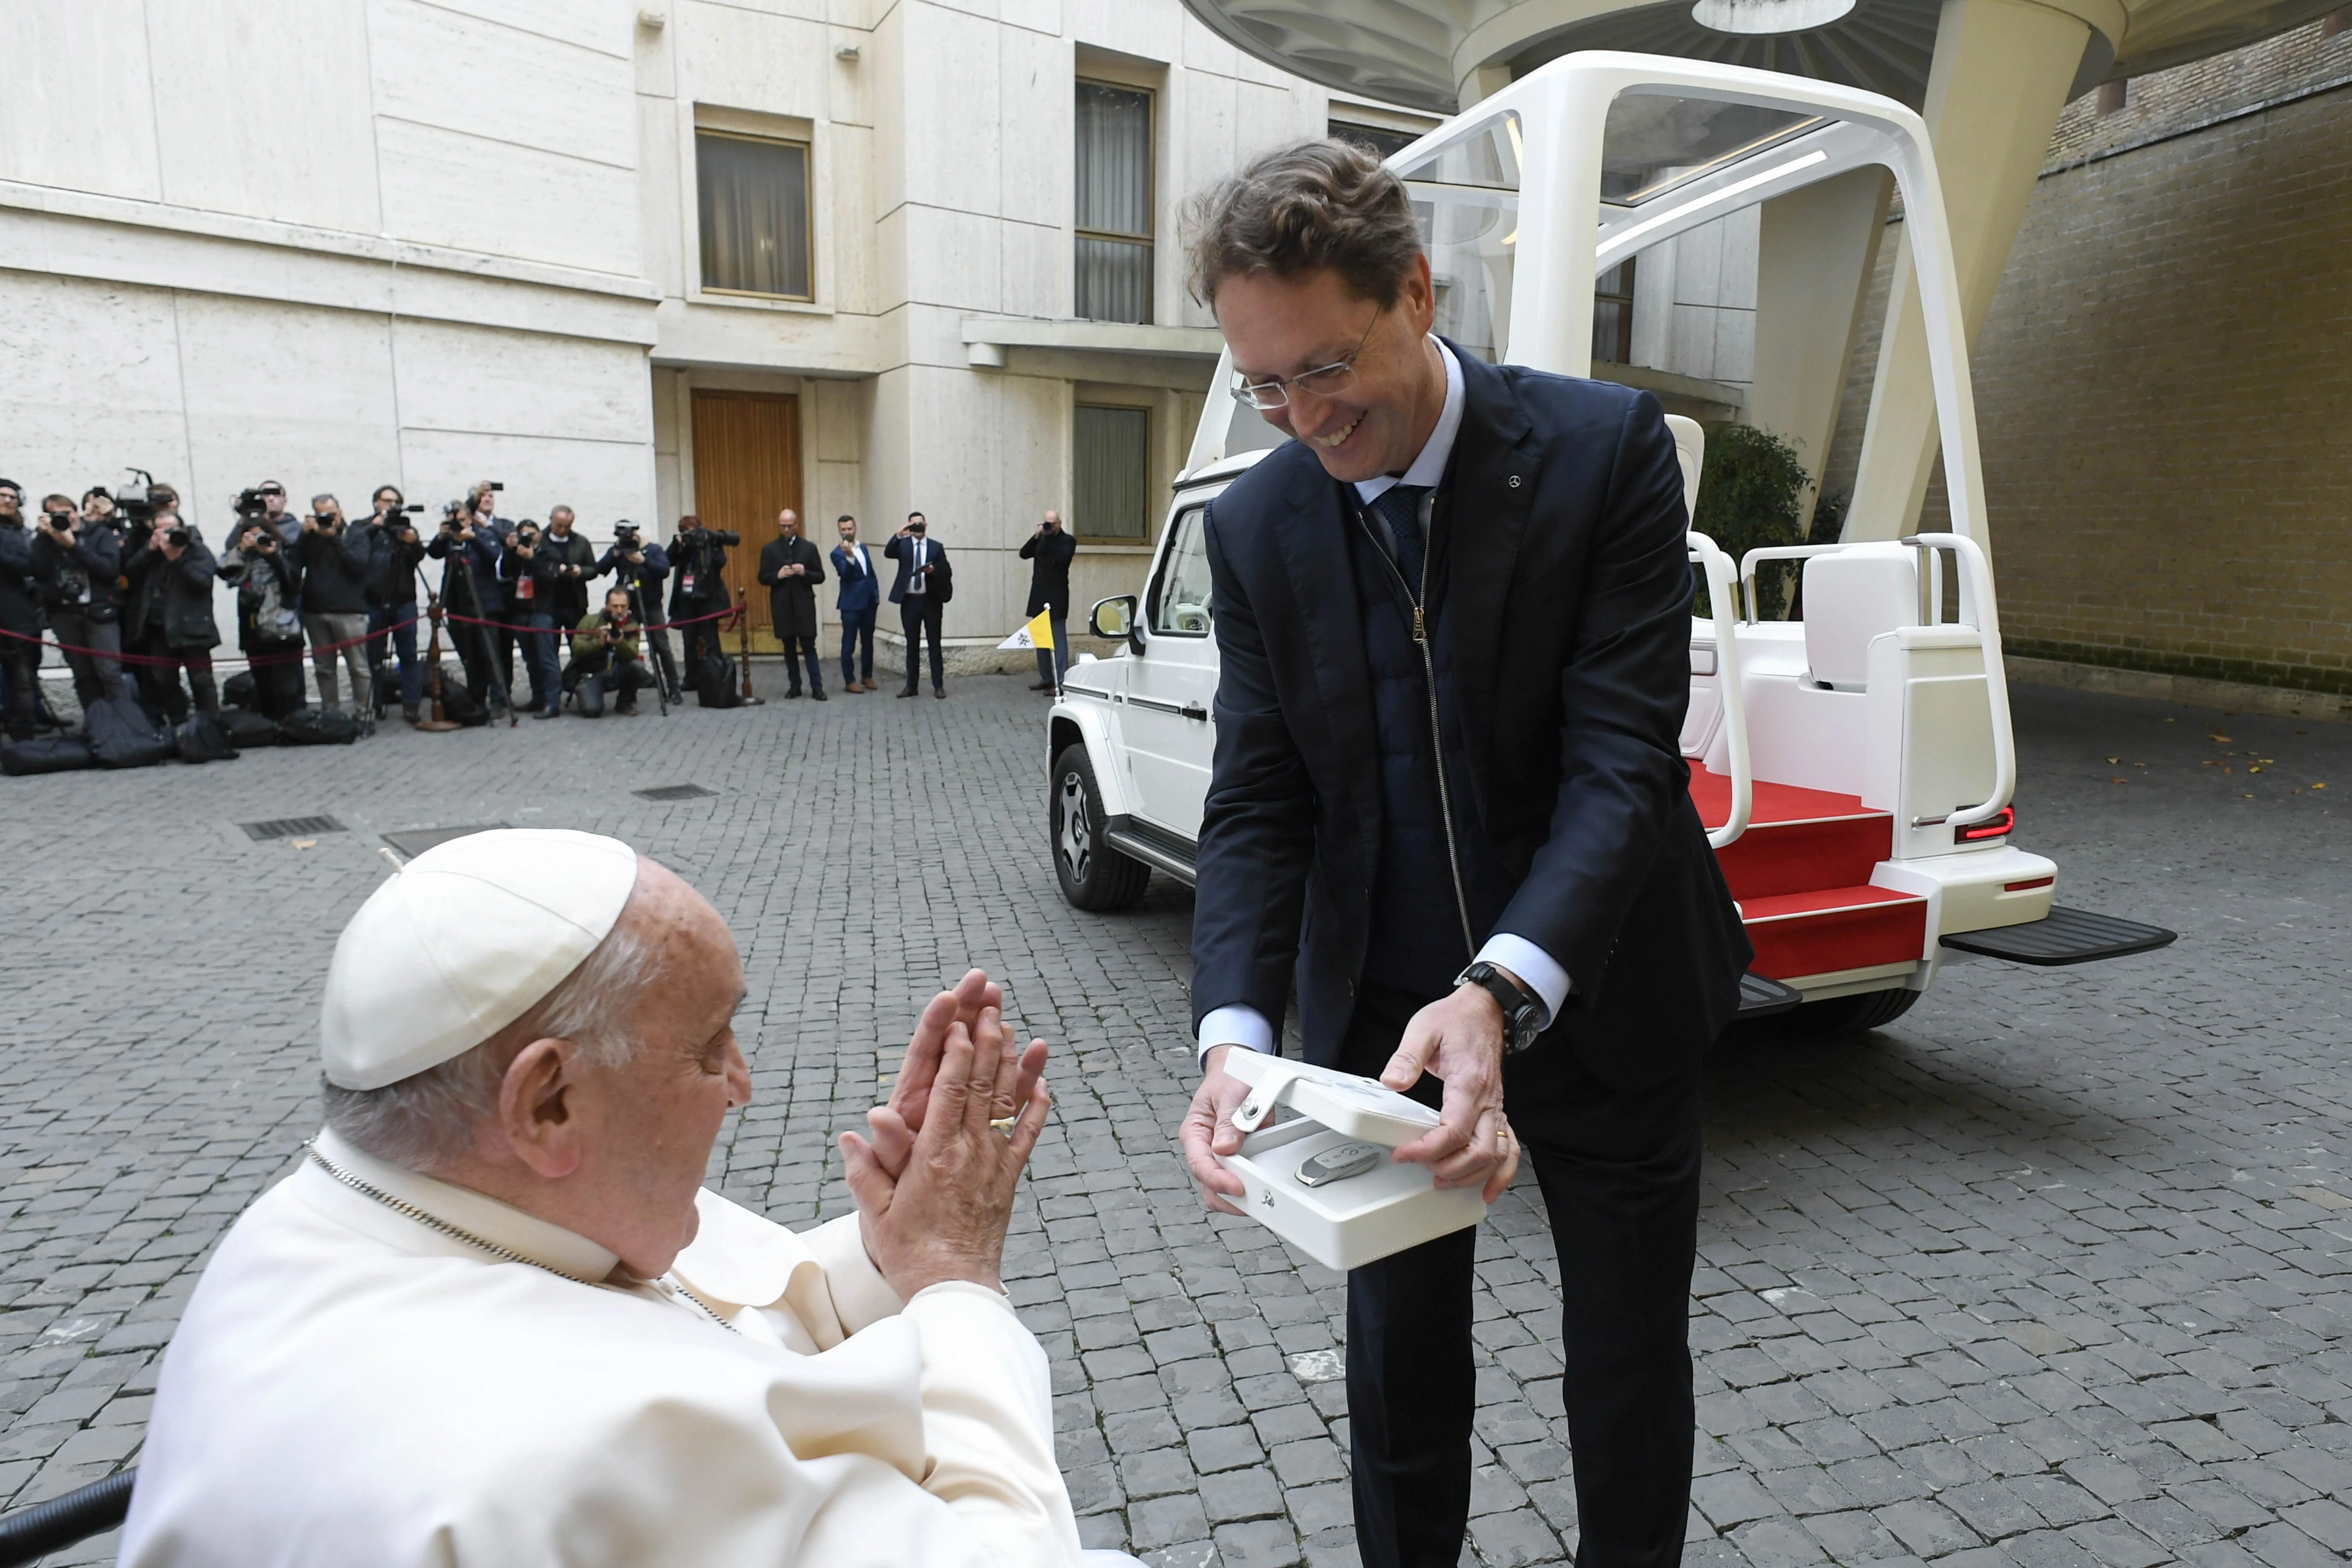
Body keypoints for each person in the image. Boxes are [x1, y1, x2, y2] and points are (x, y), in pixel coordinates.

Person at [1176, 140, 1752, 1568]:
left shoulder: (1603, 449)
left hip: (1607, 993)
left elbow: (1623, 763)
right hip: (1383, 1033)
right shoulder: (1254, 525)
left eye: (1326, 368)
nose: (1302, 418)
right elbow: (1257, 800)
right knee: (1400, 1378)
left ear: (1418, 292)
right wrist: (1233, 1039)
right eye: (1264, 384)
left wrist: (1499, 989)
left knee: (1625, 1368)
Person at [118, 828, 1129, 1568]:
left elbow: (682, 1301)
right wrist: (955, 1282)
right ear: (547, 1104)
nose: (743, 1083)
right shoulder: (570, 1452)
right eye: (709, 1048)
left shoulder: (344, 1214)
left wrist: (886, 1255)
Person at [121, 509, 223, 722]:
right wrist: (149, 551)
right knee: (163, 679)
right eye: (162, 531)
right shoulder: (152, 554)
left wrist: (177, 560)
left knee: (202, 681)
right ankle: (179, 723)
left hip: (193, 628)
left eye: (172, 529)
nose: (168, 535)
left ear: (183, 529)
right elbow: (130, 575)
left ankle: (212, 727)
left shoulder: (197, 551)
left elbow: (203, 583)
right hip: (160, 629)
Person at [27, 492, 125, 711]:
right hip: (64, 615)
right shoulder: (45, 541)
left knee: (109, 672)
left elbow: (108, 570)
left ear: (77, 512)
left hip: (100, 614)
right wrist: (45, 538)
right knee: (83, 675)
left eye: (68, 512)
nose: (65, 518)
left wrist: (72, 545)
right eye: (56, 515)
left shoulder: (99, 535)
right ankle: (95, 723)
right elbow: (39, 573)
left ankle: (124, 723)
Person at [297, 495, 376, 728]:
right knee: (324, 669)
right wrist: (304, 534)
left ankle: (365, 716)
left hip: (349, 611)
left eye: (332, 514)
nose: (328, 519)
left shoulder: (355, 534)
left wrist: (334, 540)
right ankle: (331, 716)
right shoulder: (311, 537)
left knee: (359, 668)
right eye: (323, 515)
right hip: (315, 611)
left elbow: (358, 566)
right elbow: (294, 561)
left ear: (340, 513)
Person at [220, 510, 308, 718]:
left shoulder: (285, 551)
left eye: (261, 535)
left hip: (281, 627)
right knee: (262, 680)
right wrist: (241, 550)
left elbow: (294, 584)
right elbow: (226, 574)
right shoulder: (243, 556)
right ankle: (269, 723)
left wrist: (273, 556)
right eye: (252, 536)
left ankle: (292, 720)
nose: (259, 541)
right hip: (252, 627)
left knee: (286, 682)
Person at [427, 496, 509, 714]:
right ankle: (476, 698)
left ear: (470, 518)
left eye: (462, 520)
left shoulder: (483, 534)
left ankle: (499, 700)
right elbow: (433, 553)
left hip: (485, 605)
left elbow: (493, 556)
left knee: (490, 655)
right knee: (469, 657)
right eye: (455, 521)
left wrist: (472, 539)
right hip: (458, 605)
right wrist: (443, 534)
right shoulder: (449, 539)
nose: (459, 525)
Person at [357, 486, 427, 724]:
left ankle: (411, 705)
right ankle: (374, 703)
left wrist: (413, 542)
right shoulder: (364, 527)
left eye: (396, 502)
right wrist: (375, 526)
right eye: (386, 501)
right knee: (373, 657)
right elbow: (354, 550)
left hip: (403, 601)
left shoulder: (406, 529)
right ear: (376, 503)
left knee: (408, 655)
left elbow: (419, 557)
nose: (391, 505)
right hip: (374, 601)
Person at [596, 522, 684, 705]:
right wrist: (616, 554)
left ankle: (674, 688)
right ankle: (630, 692)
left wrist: (643, 561)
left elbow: (664, 570)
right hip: (628, 607)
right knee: (626, 646)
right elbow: (601, 569)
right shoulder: (619, 550)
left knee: (662, 648)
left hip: (651, 605)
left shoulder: (652, 550)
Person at [756, 509, 826, 700]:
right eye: (783, 526)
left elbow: (821, 576)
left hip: (804, 604)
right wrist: (777, 576)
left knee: (809, 646)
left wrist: (805, 573)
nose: (786, 529)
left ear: (797, 525)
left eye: (789, 526)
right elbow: (762, 577)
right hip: (782, 605)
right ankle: (795, 685)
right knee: (788, 647)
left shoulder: (809, 548)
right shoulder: (770, 549)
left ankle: (817, 687)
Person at [884, 512, 948, 699]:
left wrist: (933, 570)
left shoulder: (936, 547)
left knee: (934, 644)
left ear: (926, 526)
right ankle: (912, 686)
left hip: (931, 601)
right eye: (914, 525)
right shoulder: (903, 545)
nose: (918, 528)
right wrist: (899, 534)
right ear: (909, 526)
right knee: (912, 645)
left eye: (920, 525)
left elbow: (946, 570)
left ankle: (939, 686)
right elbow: (888, 553)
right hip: (910, 600)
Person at [666, 515, 739, 676]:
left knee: (711, 638)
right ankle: (691, 677)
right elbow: (667, 562)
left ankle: (715, 674)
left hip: (708, 597)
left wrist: (709, 545)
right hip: (687, 600)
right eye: (687, 532)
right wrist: (677, 544)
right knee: (689, 640)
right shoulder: (683, 548)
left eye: (694, 531)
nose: (692, 535)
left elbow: (721, 562)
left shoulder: (710, 543)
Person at [566, 587, 655, 717]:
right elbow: (577, 648)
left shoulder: (632, 625)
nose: (619, 611)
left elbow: (632, 653)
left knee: (637, 666)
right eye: (615, 606)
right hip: (592, 672)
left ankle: (624, 703)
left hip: (615, 670)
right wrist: (599, 642)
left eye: (623, 606)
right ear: (607, 605)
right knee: (592, 711)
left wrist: (619, 643)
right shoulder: (591, 621)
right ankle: (586, 692)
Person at [0, 481, 42, 739]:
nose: (6, 500)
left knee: (22, 679)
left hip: (17, 616)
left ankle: (24, 734)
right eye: (1, 495)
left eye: (11, 497)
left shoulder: (19, 532)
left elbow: (28, 567)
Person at [1018, 509, 1076, 694]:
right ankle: (1047, 678)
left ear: (1059, 523)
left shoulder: (1068, 541)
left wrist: (1048, 538)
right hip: (1039, 595)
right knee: (1041, 639)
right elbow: (1024, 553)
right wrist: (1037, 537)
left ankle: (1061, 682)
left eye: (1053, 523)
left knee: (1058, 640)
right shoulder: (1041, 539)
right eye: (1047, 523)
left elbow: (1061, 559)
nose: (1050, 526)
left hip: (1057, 596)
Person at [830, 515, 879, 693]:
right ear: (839, 531)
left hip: (869, 603)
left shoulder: (864, 548)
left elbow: (870, 574)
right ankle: (849, 680)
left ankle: (867, 676)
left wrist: (876, 595)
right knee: (849, 643)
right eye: (843, 530)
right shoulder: (837, 553)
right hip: (851, 605)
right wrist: (849, 557)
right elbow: (846, 575)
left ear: (855, 529)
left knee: (868, 641)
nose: (847, 533)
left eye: (850, 529)